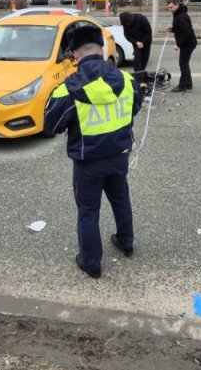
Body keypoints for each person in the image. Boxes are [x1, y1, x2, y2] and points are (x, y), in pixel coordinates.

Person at [44, 24, 144, 278]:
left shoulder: (68, 89)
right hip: (119, 156)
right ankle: (126, 243)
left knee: (88, 211)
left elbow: (52, 125)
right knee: (120, 199)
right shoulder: (127, 80)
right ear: (101, 49)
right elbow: (135, 106)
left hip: (88, 162)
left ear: (75, 55)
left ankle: (91, 263)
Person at [167, 0, 197, 93]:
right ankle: (188, 84)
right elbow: (179, 27)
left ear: (176, 5)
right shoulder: (177, 14)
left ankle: (182, 86)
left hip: (188, 43)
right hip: (187, 42)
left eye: (171, 7)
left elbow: (186, 33)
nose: (170, 9)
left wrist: (178, 44)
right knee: (185, 63)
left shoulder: (182, 16)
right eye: (169, 8)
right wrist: (172, 29)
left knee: (183, 64)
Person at [118, 12, 152, 89]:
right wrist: (136, 42)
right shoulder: (125, 24)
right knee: (138, 62)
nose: (128, 25)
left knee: (144, 61)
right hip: (136, 43)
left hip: (146, 42)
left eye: (129, 23)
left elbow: (148, 31)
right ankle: (140, 81)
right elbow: (127, 35)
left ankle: (142, 78)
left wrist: (143, 42)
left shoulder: (141, 19)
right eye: (127, 24)